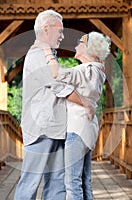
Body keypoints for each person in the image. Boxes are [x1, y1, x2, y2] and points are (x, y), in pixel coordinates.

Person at [14, 10, 90, 200]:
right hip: (41, 129)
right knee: (30, 182)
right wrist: (86, 103)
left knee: (57, 182)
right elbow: (60, 87)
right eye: (60, 31)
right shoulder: (38, 55)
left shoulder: (48, 55)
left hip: (55, 128)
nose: (62, 36)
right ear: (46, 29)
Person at [43, 32, 111, 199]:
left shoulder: (86, 70)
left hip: (77, 130)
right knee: (84, 180)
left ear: (90, 49)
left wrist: (46, 51)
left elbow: (56, 75)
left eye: (81, 41)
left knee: (72, 182)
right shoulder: (97, 71)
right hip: (87, 128)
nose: (76, 43)